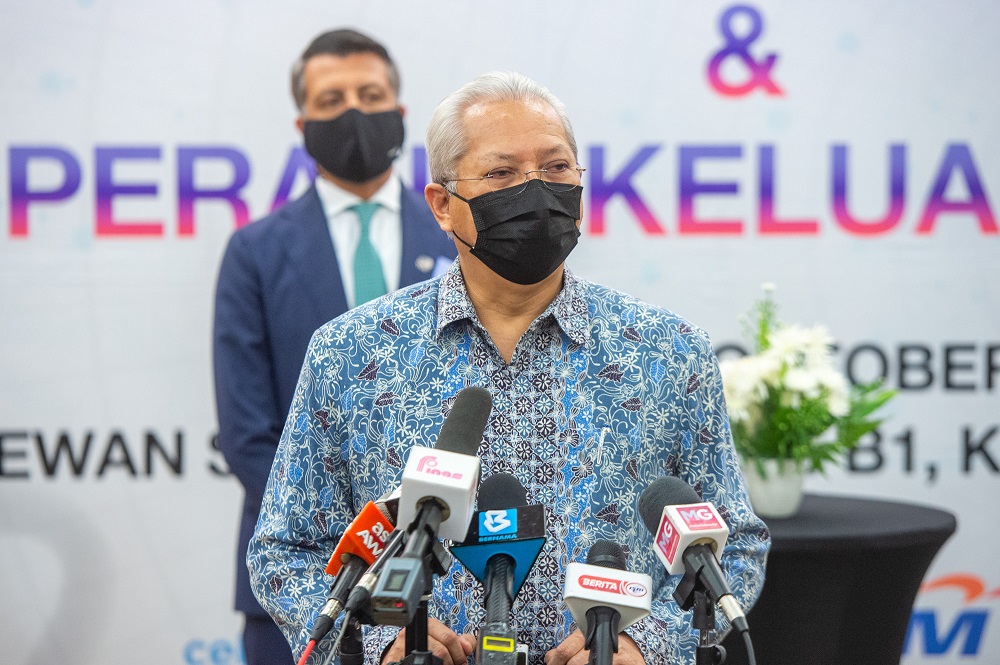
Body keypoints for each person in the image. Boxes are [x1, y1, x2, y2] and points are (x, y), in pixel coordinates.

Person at [248, 71, 769, 665]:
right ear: (443, 205)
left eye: (556, 169)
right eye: (501, 174)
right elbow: (286, 549)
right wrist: (377, 642)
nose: (535, 190)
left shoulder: (668, 351)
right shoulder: (351, 352)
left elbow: (734, 544)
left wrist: (648, 645)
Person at [213, 28, 456, 665]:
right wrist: (353, 541)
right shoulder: (255, 253)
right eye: (331, 100)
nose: (353, 111)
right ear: (302, 123)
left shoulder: (462, 240)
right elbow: (246, 432)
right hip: (300, 581)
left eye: (370, 94)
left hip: (452, 572)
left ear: (401, 114)